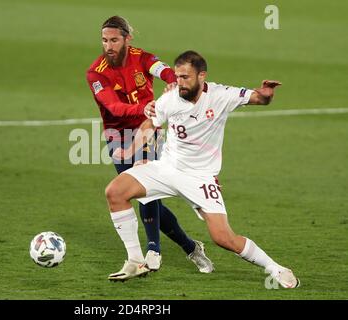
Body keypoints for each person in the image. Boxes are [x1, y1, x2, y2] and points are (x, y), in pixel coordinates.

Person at [105, 50, 300, 288]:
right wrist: (130, 151)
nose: (180, 83)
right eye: (177, 77)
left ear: (202, 76)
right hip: (167, 168)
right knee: (115, 191)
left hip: (200, 177)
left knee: (223, 238)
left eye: (186, 77)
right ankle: (135, 260)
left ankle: (275, 268)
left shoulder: (221, 95)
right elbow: (150, 123)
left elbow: (259, 98)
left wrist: (267, 94)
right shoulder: (170, 98)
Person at [86, 16, 213, 274]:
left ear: (126, 39)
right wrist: (141, 107)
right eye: (104, 40)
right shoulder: (95, 73)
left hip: (147, 129)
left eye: (114, 40)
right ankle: (191, 247)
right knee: (135, 191)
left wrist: (173, 82)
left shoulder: (143, 58)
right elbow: (113, 107)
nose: (108, 46)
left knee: (146, 188)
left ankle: (153, 249)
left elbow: (164, 71)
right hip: (117, 136)